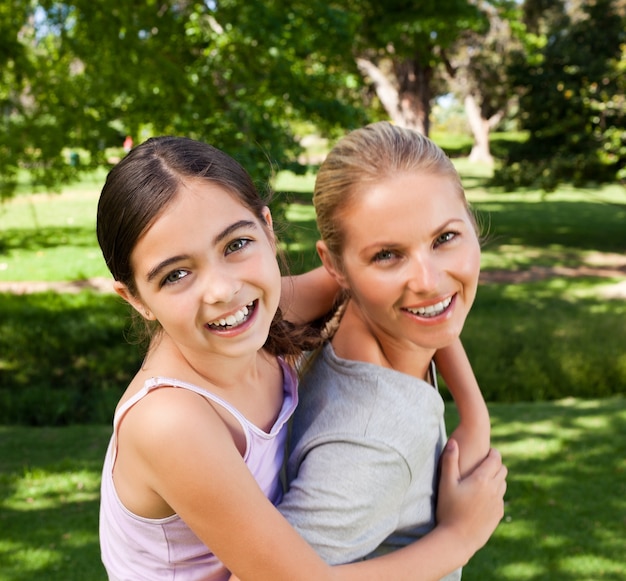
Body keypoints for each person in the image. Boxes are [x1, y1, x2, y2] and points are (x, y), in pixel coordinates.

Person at [97, 135, 506, 581]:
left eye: (235, 245)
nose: (222, 290)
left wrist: (473, 411)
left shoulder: (257, 315)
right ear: (135, 298)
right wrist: (461, 536)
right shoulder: (172, 422)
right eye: (176, 274)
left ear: (267, 229)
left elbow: (417, 297)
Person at [278, 121, 494, 579]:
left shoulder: (360, 312)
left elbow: (437, 311)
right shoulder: (372, 442)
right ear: (334, 265)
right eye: (387, 256)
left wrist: (475, 414)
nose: (429, 280)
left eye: (444, 238)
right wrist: (458, 540)